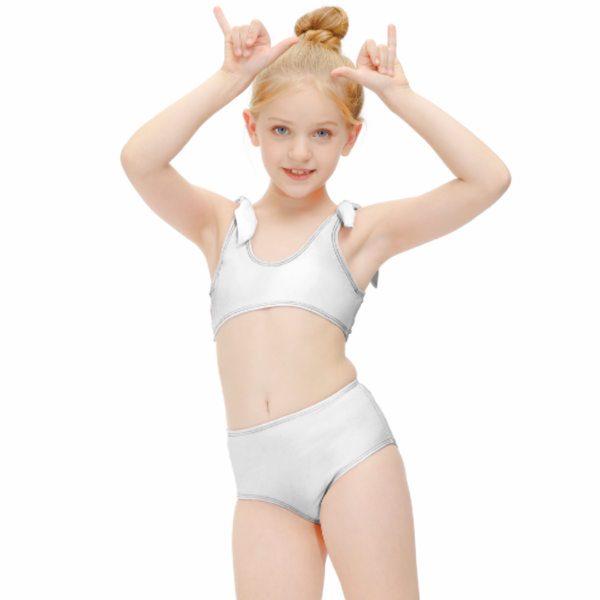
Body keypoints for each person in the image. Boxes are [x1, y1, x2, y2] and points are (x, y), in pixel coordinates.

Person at [120, 5, 511, 599]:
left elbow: (489, 179)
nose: (299, 152)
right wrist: (228, 78)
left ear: (350, 137)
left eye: (322, 133)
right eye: (281, 130)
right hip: (260, 481)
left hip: (350, 457)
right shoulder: (219, 226)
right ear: (252, 128)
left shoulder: (357, 234)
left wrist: (398, 96)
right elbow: (139, 160)